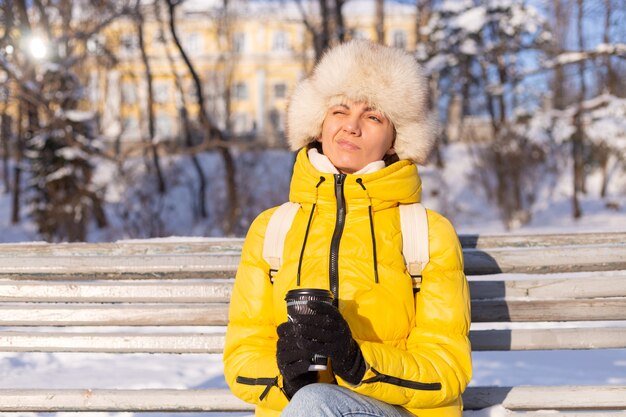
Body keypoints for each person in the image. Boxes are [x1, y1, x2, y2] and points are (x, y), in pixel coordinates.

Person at [224, 40, 471, 417]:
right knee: (311, 403)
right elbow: (242, 359)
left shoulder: (425, 233)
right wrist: (283, 377)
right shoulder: (272, 229)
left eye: (373, 117)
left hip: (396, 411)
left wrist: (358, 363)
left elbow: (448, 370)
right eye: (340, 110)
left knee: (315, 405)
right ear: (319, 125)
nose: (351, 126)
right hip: (302, 409)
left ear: (395, 140)